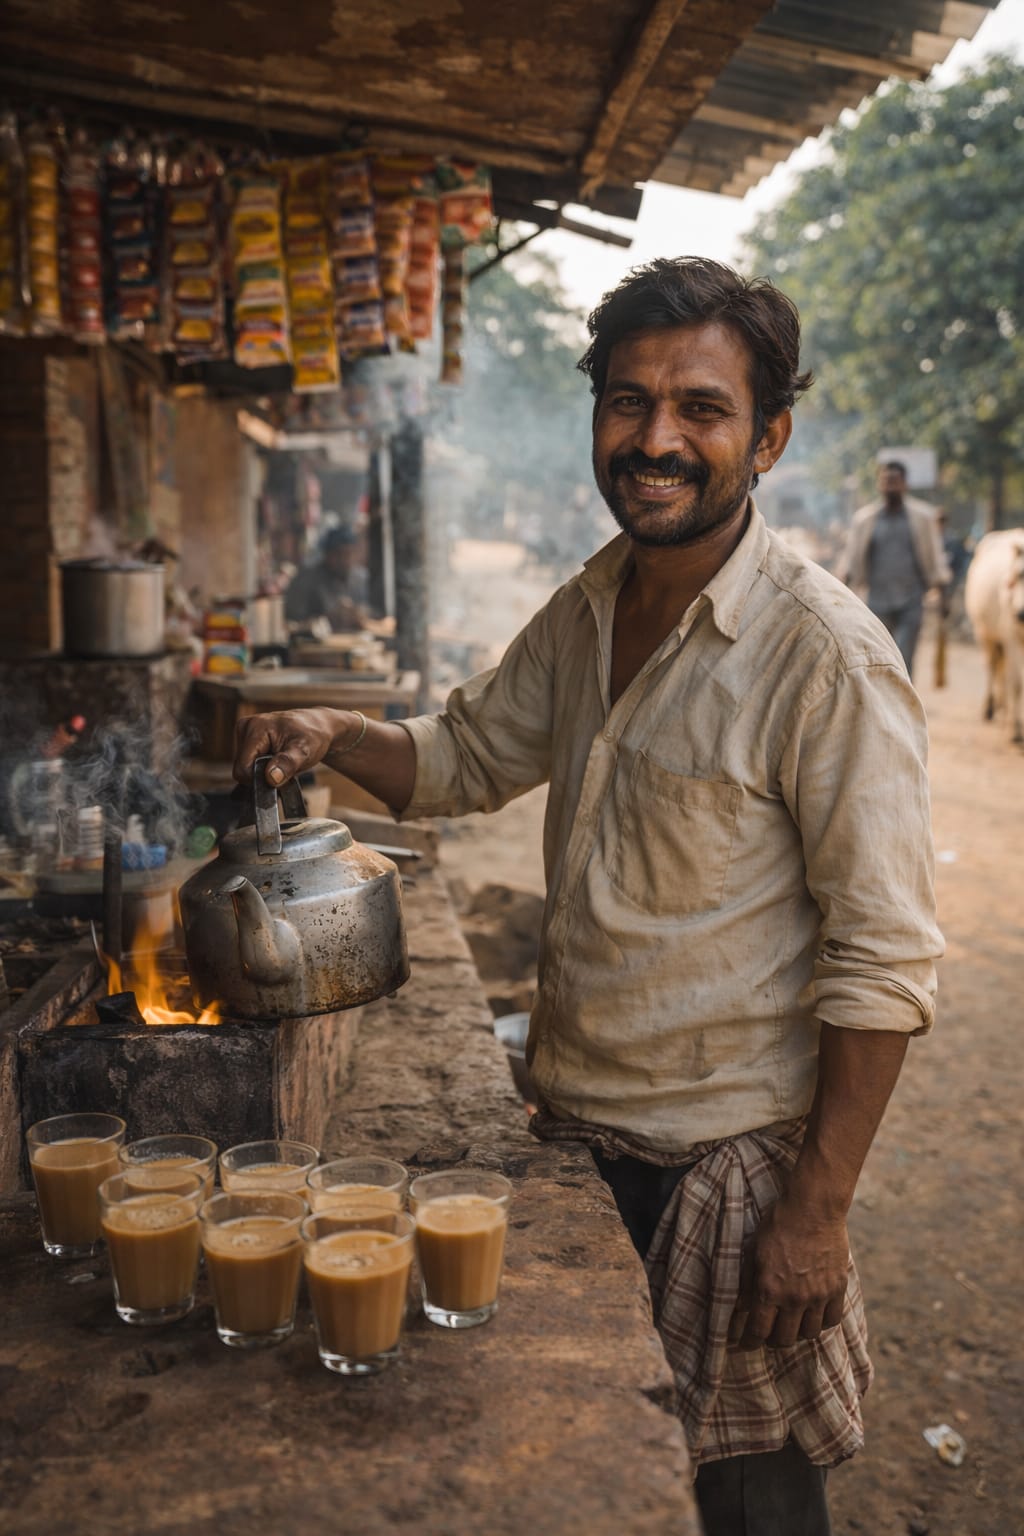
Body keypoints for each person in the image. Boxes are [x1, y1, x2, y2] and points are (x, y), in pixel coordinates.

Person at [234, 258, 943, 1536]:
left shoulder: (823, 655)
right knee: (601, 1483)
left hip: (728, 1171)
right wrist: (340, 727)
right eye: (627, 403)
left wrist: (817, 1212)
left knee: (745, 1502)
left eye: (700, 408)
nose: (655, 439)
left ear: (767, 436)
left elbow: (883, 960)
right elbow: (463, 757)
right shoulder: (588, 602)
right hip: (574, 1143)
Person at [837, 460, 950, 678]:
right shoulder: (865, 519)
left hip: (911, 602)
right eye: (886, 481)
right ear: (879, 485)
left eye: (895, 481)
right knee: (877, 659)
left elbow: (935, 558)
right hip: (876, 603)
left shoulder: (923, 517)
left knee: (904, 659)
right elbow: (850, 562)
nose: (890, 486)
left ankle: (905, 709)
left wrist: (943, 595)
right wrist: (840, 599)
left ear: (905, 484)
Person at [283, 524, 368, 632]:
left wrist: (359, 614)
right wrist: (326, 619)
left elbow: (371, 613)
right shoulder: (306, 580)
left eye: (349, 554)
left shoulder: (359, 579)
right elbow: (292, 622)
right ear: (327, 555)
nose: (345, 560)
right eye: (339, 554)